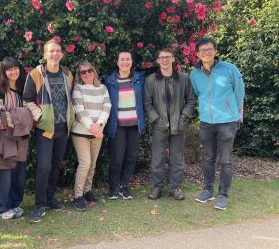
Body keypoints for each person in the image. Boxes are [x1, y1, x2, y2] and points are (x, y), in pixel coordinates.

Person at [23, 39, 75, 223]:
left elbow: (70, 99)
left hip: (63, 129)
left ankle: (50, 199)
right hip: (45, 130)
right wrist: (41, 118)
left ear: (61, 54)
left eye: (57, 51)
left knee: (55, 165)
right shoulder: (36, 74)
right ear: (45, 54)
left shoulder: (67, 74)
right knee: (43, 167)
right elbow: (27, 100)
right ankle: (39, 204)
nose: (54, 54)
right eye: (51, 51)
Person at [190, 38, 245, 211]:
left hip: (227, 122)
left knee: (225, 160)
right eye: (202, 50)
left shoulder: (229, 69)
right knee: (208, 158)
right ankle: (208, 191)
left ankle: (222, 195)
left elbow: (239, 91)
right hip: (207, 122)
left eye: (209, 49)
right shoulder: (194, 74)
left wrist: (235, 112)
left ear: (215, 50)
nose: (206, 52)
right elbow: (198, 93)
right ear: (197, 54)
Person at [144, 47, 196, 200]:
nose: (164, 60)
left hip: (178, 125)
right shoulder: (151, 80)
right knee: (157, 158)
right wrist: (157, 120)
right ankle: (157, 186)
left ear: (173, 59)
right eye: (161, 57)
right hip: (159, 125)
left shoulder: (184, 78)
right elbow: (147, 103)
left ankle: (174, 187)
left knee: (177, 158)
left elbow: (191, 100)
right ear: (158, 61)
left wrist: (183, 117)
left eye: (167, 57)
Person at [0, 57, 31, 219]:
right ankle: (3, 207)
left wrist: (14, 116)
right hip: (3, 139)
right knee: (3, 173)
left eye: (16, 68)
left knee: (18, 174)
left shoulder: (23, 90)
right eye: (9, 69)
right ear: (3, 72)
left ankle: (14, 204)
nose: (13, 72)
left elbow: (31, 114)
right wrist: (22, 116)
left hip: (21, 138)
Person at [104, 51, 146, 200]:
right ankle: (113, 187)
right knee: (117, 157)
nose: (125, 62)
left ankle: (124, 185)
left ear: (132, 61)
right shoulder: (109, 81)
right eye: (122, 59)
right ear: (117, 62)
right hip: (118, 125)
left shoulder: (139, 79)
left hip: (135, 124)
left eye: (128, 59)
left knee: (131, 157)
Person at [71, 62, 111, 211]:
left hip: (98, 132)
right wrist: (93, 128)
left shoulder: (103, 88)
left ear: (94, 72)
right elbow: (80, 111)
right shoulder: (78, 88)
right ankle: (78, 196)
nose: (86, 74)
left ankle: (87, 191)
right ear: (79, 75)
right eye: (83, 72)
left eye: (89, 71)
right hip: (81, 132)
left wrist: (99, 125)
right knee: (85, 163)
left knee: (93, 164)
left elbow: (107, 108)